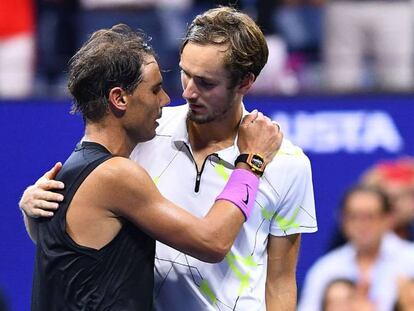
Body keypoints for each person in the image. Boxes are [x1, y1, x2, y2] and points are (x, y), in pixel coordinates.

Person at [20, 7, 317, 310]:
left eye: (206, 82)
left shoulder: (288, 163)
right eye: (184, 74)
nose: (186, 92)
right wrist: (35, 209)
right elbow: (83, 226)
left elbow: (280, 281)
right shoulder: (141, 134)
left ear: (244, 83)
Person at [298, 185, 414, 311]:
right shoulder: (325, 269)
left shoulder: (410, 260)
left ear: (388, 219)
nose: (362, 225)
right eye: (354, 217)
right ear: (342, 220)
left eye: (370, 217)